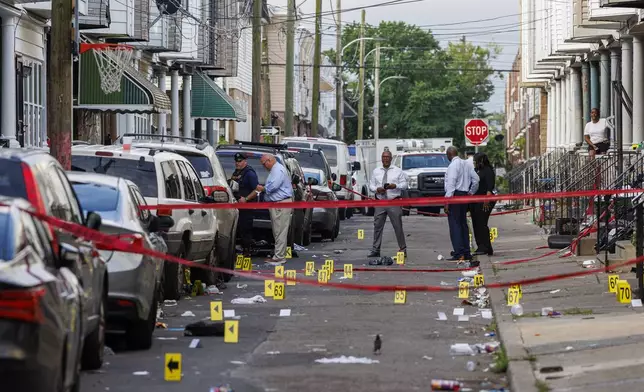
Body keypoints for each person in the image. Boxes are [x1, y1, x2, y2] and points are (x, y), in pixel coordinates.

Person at [368, 149, 408, 258]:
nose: (385, 159)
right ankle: (375, 249)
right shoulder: (376, 171)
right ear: (381, 159)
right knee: (377, 226)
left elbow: (404, 185)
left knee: (398, 226)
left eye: (387, 157)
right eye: (384, 157)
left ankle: (403, 249)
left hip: (393, 201)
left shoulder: (398, 171)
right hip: (380, 201)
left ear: (391, 159)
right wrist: (377, 189)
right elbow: (371, 186)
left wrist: (395, 186)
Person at [255, 154, 293, 265]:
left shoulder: (278, 170)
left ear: (269, 160)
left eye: (264, 164)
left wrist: (263, 188)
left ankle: (279, 257)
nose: (264, 166)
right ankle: (279, 255)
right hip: (277, 204)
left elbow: (272, 187)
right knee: (278, 231)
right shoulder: (275, 170)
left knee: (280, 231)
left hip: (280, 204)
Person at [444, 146, 479, 262]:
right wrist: (471, 193)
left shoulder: (453, 166)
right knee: (463, 224)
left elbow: (451, 185)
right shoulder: (466, 164)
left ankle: (459, 253)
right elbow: (476, 179)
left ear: (449, 155)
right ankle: (466, 251)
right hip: (464, 195)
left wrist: (447, 202)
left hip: (455, 195)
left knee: (455, 225)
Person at [229, 152, 259, 256]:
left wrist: (246, 199)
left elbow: (257, 190)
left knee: (245, 229)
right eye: (236, 161)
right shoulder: (236, 172)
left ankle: (247, 252)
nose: (237, 163)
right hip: (237, 206)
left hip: (246, 207)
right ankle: (239, 250)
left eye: (240, 161)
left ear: (245, 161)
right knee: (238, 229)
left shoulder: (249, 173)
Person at [470, 152, 496, 256]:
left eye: (475, 161)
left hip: (485, 200)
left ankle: (486, 247)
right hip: (476, 200)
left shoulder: (488, 171)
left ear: (481, 161)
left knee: (482, 223)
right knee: (476, 223)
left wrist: (487, 199)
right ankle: (480, 245)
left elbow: (489, 187)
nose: (474, 163)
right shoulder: (477, 170)